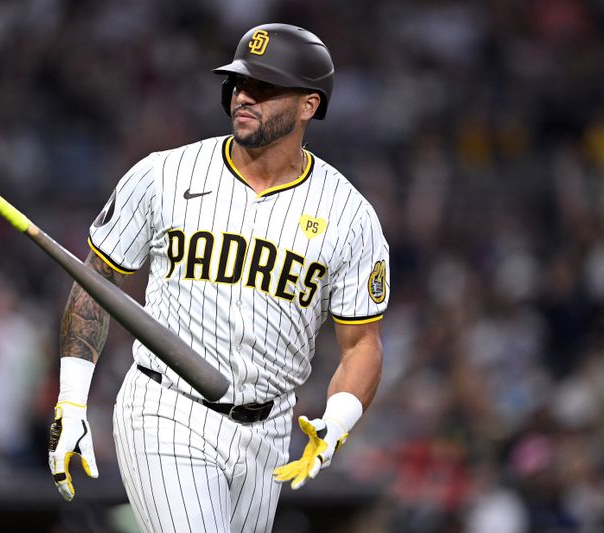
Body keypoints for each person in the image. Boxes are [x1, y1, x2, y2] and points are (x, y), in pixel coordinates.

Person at [48, 23, 390, 532]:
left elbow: (361, 343)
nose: (243, 97)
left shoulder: (349, 217)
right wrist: (72, 400)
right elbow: (96, 282)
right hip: (167, 408)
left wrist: (338, 419)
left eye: (265, 88)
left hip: (268, 432)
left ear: (309, 106)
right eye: (238, 83)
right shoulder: (164, 175)